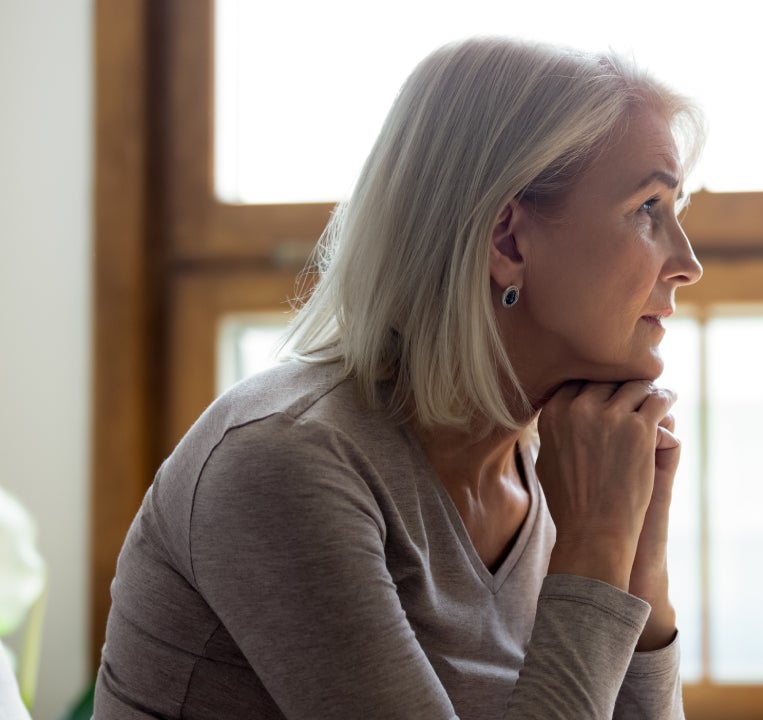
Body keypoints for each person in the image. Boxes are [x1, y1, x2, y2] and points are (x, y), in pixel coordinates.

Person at [94, 36, 704, 719]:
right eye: (648, 208)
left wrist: (639, 559)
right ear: (507, 241)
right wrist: (593, 553)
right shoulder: (284, 461)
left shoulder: (560, 465)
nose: (687, 262)